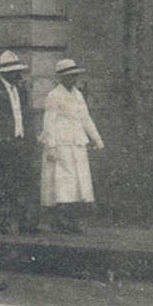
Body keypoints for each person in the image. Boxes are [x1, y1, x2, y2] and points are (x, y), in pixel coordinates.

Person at [39, 58, 105, 233]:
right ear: (61, 78)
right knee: (63, 183)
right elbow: (49, 122)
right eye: (68, 77)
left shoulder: (78, 94)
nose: (72, 80)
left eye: (74, 76)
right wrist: (51, 147)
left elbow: (85, 118)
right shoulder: (54, 95)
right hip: (61, 143)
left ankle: (72, 221)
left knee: (78, 182)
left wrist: (96, 138)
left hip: (77, 142)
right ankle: (60, 221)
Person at [0, 50, 37, 234]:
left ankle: (24, 223)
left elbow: (26, 115)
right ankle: (3, 222)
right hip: (3, 144)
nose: (18, 75)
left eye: (18, 71)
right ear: (5, 73)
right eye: (14, 72)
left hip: (20, 142)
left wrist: (31, 139)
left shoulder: (20, 89)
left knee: (24, 183)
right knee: (4, 185)